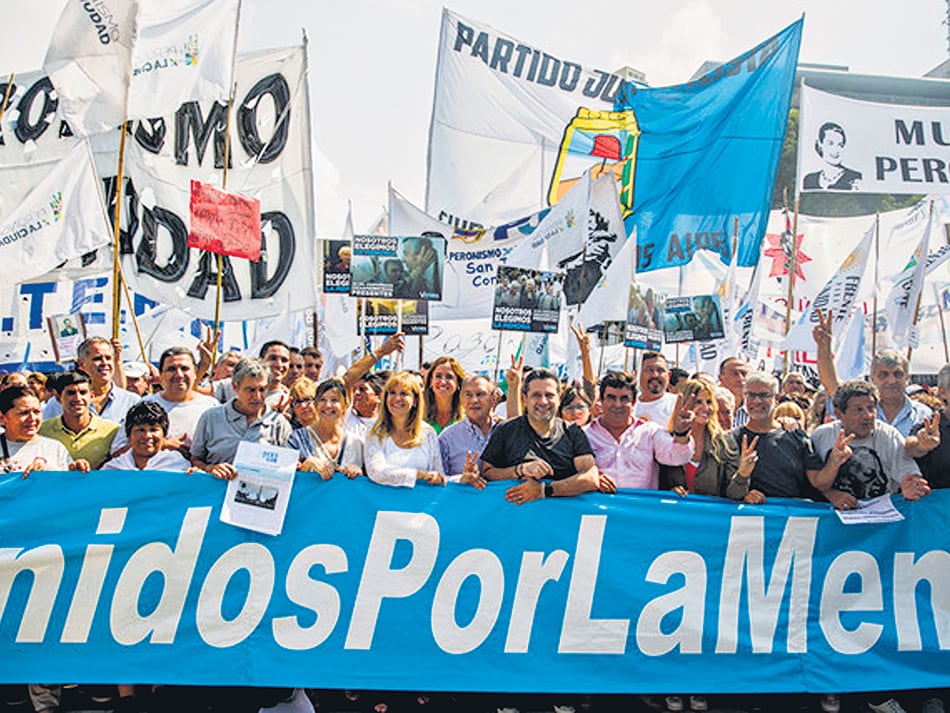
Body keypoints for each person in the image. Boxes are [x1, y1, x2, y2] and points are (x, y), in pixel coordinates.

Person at [481, 368, 599, 503]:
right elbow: (487, 472)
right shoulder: (506, 430)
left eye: (549, 395)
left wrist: (544, 490)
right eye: (536, 395)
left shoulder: (572, 432)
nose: (543, 401)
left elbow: (591, 478)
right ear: (525, 398)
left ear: (559, 398)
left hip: (560, 520)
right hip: (515, 519)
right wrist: (519, 470)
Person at [808, 380, 930, 509]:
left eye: (871, 408)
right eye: (858, 410)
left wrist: (912, 485)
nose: (867, 416)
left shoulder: (889, 436)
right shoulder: (821, 437)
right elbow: (813, 484)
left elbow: (909, 474)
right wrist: (830, 493)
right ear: (839, 414)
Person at [814, 309, 931, 437]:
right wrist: (824, 348)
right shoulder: (856, 408)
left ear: (907, 378)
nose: (891, 380)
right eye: (883, 375)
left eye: (897, 374)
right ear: (872, 379)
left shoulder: (924, 415)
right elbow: (831, 384)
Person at [583, 371, 695, 492]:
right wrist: (592, 479)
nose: (617, 404)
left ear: (634, 402)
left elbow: (676, 458)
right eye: (611, 398)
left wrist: (681, 434)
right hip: (599, 509)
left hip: (640, 509)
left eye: (624, 399)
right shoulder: (585, 435)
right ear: (601, 400)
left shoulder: (650, 431)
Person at [190, 358, 293, 479]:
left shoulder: (278, 423)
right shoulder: (211, 418)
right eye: (251, 390)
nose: (257, 396)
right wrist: (210, 468)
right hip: (215, 494)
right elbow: (195, 459)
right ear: (235, 387)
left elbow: (289, 467)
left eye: (262, 390)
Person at [112, 347, 218, 457]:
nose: (179, 375)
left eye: (185, 368)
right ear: (161, 375)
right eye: (171, 369)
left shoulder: (211, 407)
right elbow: (117, 452)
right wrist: (162, 445)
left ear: (195, 372)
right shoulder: (144, 405)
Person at [659, 378, 753, 500]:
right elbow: (655, 484)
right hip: (675, 516)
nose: (705, 408)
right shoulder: (665, 440)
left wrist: (742, 475)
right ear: (683, 404)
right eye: (698, 402)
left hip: (711, 517)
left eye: (709, 402)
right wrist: (669, 492)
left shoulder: (725, 443)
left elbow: (734, 495)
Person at [731, 372, 817, 504]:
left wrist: (835, 460)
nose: (756, 401)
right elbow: (721, 489)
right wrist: (744, 493)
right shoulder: (730, 439)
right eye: (751, 395)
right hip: (749, 520)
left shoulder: (796, 436)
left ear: (777, 398)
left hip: (793, 520)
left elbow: (817, 482)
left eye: (764, 395)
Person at [364, 371, 447, 488]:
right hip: (385, 504)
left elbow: (439, 475)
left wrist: (461, 479)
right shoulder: (375, 430)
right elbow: (376, 472)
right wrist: (419, 475)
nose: (397, 398)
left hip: (420, 504)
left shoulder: (428, 433)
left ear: (415, 400)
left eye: (404, 394)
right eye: (392, 393)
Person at [43, 336, 140, 427]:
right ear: (81, 363)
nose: (104, 363)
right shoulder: (59, 403)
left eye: (108, 358)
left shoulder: (131, 402)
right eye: (97, 358)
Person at [287, 377, 364, 480]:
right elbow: (286, 477)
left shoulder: (357, 443)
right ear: (315, 405)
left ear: (345, 406)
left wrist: (359, 472)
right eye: (322, 400)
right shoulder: (297, 439)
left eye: (334, 400)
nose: (328, 405)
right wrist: (307, 464)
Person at [39, 371, 118, 470]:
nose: (77, 398)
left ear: (91, 396)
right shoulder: (42, 431)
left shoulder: (112, 431)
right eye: (71, 393)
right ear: (58, 398)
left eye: (83, 392)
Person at [0, 385, 78, 475]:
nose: (32, 418)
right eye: (24, 413)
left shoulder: (55, 449)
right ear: (2, 418)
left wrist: (50, 473)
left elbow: (67, 485)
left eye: (36, 412)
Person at [437, 374, 496, 487]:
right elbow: (438, 479)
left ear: (493, 399)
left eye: (480, 394)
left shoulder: (504, 431)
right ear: (462, 399)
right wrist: (461, 479)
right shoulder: (447, 438)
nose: (474, 400)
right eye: (468, 395)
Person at [102, 401, 192, 471]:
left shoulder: (179, 466)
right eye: (140, 430)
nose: (147, 436)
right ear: (128, 435)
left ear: (164, 435)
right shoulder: (113, 469)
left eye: (153, 430)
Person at [905, 364, 950, 489]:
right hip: (937, 505)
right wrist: (922, 445)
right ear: (943, 392)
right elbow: (909, 447)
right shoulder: (932, 426)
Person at [802, 122, 862, 191]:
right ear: (820, 145)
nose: (836, 149)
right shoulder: (810, 179)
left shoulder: (854, 178)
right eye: (830, 143)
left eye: (840, 145)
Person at [424, 355, 466, 434]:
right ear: (431, 381)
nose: (443, 382)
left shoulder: (468, 418)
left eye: (449, 377)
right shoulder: (418, 416)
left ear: (458, 383)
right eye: (438, 376)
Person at [633, 352, 677, 425]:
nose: (655, 375)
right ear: (637, 374)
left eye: (660, 370)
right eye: (650, 370)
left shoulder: (677, 404)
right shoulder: (627, 404)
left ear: (669, 375)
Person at [719, 357, 750, 427]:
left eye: (744, 374)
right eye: (734, 374)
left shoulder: (755, 411)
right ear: (720, 378)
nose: (740, 378)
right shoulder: (711, 408)